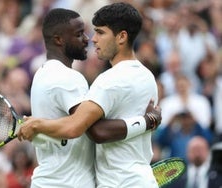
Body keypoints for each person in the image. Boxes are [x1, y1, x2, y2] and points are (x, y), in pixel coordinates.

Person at [18, 3, 160, 188]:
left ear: (122, 37)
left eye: (100, 33)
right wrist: (147, 121)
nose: (92, 39)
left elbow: (91, 129)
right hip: (137, 179)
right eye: (83, 33)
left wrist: (38, 124)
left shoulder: (108, 80)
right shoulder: (147, 77)